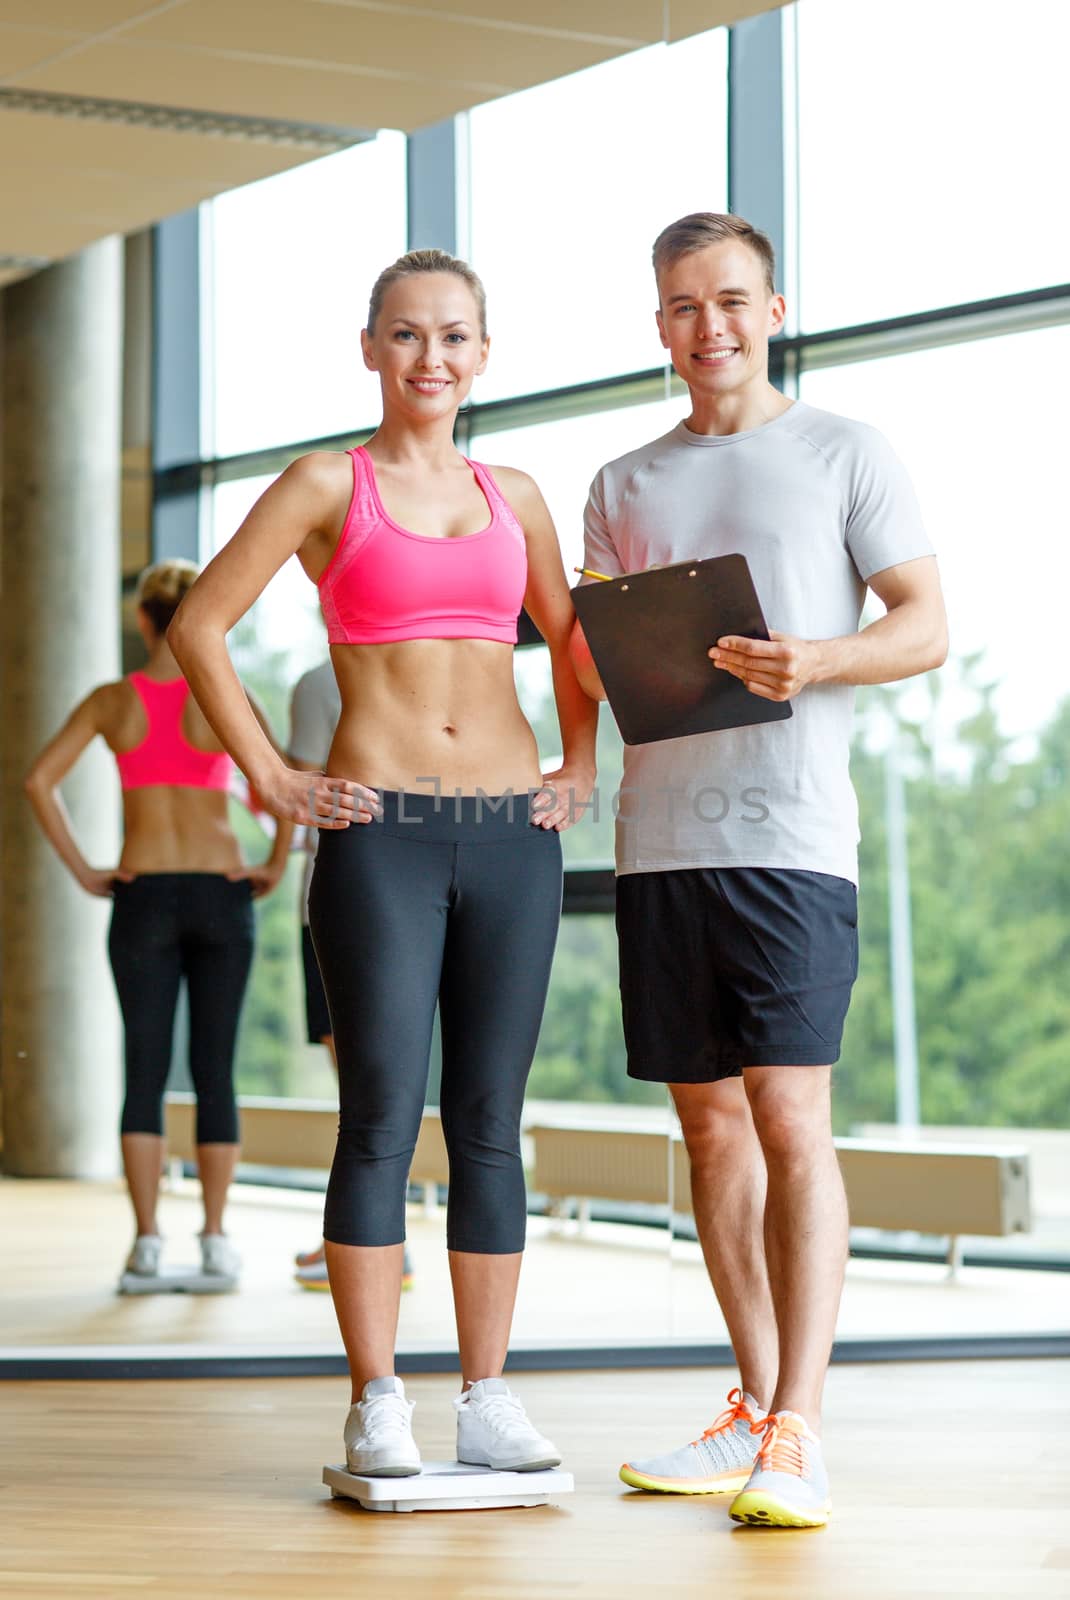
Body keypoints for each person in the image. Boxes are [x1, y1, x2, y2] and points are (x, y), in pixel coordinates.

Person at [168, 248, 598, 1477]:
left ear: (482, 354)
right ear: (370, 348)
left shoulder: (514, 493)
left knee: (489, 1124)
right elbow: (202, 626)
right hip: (378, 838)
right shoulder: (324, 483)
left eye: (454, 336)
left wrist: (577, 764)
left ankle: (487, 1394)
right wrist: (274, 777)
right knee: (378, 1119)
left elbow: (572, 644)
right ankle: (375, 1397)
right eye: (406, 335)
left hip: (512, 835)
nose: (430, 358)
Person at [570, 212, 947, 1528]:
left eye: (729, 299)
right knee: (708, 1125)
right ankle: (746, 1407)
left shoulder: (846, 451)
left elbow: (925, 626)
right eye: (681, 305)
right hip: (659, 834)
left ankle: (801, 1426)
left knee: (789, 1113)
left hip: (788, 838)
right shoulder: (619, 481)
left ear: (772, 307)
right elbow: (611, 659)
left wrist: (815, 659)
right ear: (658, 323)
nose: (707, 325)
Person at [24, 559, 293, 1285]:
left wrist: (85, 870)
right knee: (215, 1071)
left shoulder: (114, 700)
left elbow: (36, 781)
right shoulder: (222, 696)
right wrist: (274, 863)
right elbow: (283, 779)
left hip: (141, 892)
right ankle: (213, 1237)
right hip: (219, 893)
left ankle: (147, 1241)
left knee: (143, 1070)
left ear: (142, 619)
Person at [286, 658, 414, 1294]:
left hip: (346, 892)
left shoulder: (318, 682)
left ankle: (388, 1238)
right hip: (396, 888)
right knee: (389, 1088)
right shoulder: (327, 682)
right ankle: (390, 1236)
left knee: (366, 1094)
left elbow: (297, 787)